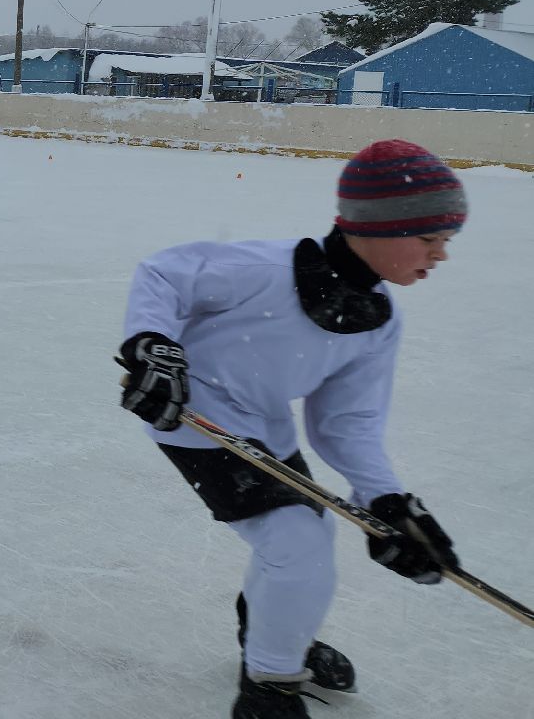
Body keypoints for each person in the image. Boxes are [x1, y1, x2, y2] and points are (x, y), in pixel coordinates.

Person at [116, 140, 467, 718]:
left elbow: (346, 423)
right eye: (430, 239)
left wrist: (387, 502)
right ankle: (269, 689)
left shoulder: (378, 323)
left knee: (304, 539)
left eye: (445, 242)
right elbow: (165, 275)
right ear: (379, 228)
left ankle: (271, 632)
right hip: (192, 413)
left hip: (263, 424)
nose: (441, 255)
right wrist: (153, 348)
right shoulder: (262, 270)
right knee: (297, 544)